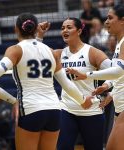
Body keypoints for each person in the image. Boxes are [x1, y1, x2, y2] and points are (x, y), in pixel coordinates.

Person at [0, 13, 93, 150]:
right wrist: (83, 100)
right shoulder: (50, 51)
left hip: (31, 108)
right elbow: (66, 84)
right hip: (54, 110)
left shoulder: (15, 50)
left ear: (16, 29)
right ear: (36, 28)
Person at [37, 17, 111, 150]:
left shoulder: (92, 52)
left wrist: (109, 91)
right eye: (62, 28)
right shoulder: (59, 54)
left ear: (79, 31)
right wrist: (40, 35)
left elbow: (116, 73)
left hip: (91, 111)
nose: (64, 30)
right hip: (67, 109)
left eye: (69, 27)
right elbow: (36, 56)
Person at [66, 4, 124, 150]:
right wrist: (108, 88)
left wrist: (86, 75)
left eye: (110, 18)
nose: (106, 22)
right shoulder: (119, 42)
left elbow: (118, 71)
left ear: (122, 20)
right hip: (119, 106)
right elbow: (121, 74)